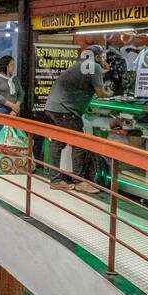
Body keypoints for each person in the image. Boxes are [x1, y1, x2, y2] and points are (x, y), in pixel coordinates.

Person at [42, 45, 112, 193]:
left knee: (57, 143)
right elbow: (100, 93)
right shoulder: (94, 67)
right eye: (102, 57)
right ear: (98, 57)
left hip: (52, 107)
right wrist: (109, 93)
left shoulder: (80, 65)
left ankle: (55, 180)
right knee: (79, 143)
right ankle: (79, 181)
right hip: (66, 110)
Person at [0, 55, 21, 164]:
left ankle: (9, 160)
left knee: (13, 136)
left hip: (14, 111)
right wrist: (12, 105)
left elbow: (21, 93)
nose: (13, 67)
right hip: (0, 109)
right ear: (5, 66)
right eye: (11, 65)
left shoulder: (14, 79)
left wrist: (15, 108)